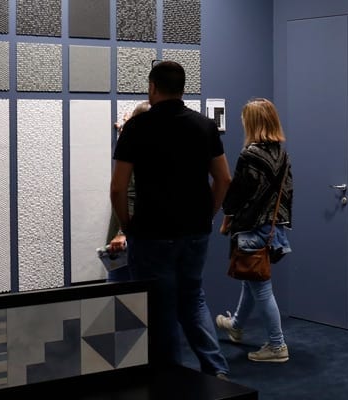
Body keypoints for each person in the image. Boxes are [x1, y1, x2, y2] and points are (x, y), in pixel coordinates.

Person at [110, 61, 232, 379]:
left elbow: (118, 187)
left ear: (152, 87)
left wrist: (127, 224)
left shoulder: (137, 127)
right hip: (195, 231)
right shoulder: (205, 126)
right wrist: (208, 214)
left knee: (160, 307)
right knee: (193, 299)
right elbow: (223, 179)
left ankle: (172, 379)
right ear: (182, 88)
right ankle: (216, 371)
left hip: (151, 232)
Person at [216, 98, 293, 363]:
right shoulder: (282, 154)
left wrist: (227, 218)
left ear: (252, 123)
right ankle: (236, 325)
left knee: (261, 287)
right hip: (273, 228)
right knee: (252, 278)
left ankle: (277, 345)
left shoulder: (249, 155)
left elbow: (236, 193)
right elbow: (287, 193)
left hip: (251, 227)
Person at [105, 101, 150, 282]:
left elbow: (129, 193)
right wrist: (124, 129)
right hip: (145, 236)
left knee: (118, 287)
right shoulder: (158, 149)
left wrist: (122, 233)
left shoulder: (135, 152)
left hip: (127, 237)